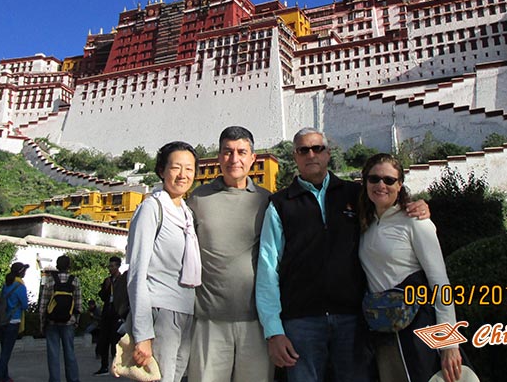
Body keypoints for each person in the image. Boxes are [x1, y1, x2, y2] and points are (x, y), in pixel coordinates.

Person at [256, 127, 431, 382]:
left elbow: (388, 208)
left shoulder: (354, 194)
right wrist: (273, 331)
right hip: (301, 322)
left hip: (352, 319)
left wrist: (415, 205)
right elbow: (267, 267)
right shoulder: (281, 203)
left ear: (328, 154)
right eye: (303, 150)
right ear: (295, 156)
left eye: (317, 148)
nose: (311, 154)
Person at [357, 154, 466, 382]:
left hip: (418, 325)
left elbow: (439, 281)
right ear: (365, 181)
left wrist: (449, 341)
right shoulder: (364, 224)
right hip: (385, 329)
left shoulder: (416, 221)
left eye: (389, 180)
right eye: (374, 178)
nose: (380, 185)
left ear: (399, 185)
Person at [186, 126, 273, 382]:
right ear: (218, 157)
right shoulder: (198, 198)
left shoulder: (266, 201)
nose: (234, 159)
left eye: (241, 152)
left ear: (252, 158)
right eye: (227, 152)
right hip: (208, 321)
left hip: (256, 322)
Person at [126, 141, 202, 382]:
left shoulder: (186, 214)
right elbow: (137, 273)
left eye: (189, 169)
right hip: (160, 312)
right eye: (176, 168)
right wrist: (143, 333)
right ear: (161, 170)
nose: (183, 175)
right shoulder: (152, 208)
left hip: (186, 311)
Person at [39, 254, 82, 382]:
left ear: (57, 266)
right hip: (69, 322)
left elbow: (43, 303)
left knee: (53, 354)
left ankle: (54, 379)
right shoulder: (75, 280)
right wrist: (76, 321)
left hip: (52, 322)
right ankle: (73, 379)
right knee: (70, 352)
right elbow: (78, 304)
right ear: (69, 266)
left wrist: (42, 323)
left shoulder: (50, 280)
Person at [0, 262, 29, 382]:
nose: (25, 273)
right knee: (6, 353)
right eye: (24, 270)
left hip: (2, 320)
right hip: (13, 321)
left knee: (4, 350)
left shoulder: (6, 285)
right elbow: (24, 305)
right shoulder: (20, 287)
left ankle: (4, 376)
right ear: (20, 272)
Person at [93, 256, 128, 376]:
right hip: (106, 314)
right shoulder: (107, 280)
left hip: (116, 314)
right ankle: (104, 366)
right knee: (104, 340)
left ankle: (116, 365)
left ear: (118, 266)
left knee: (115, 342)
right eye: (110, 266)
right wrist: (106, 287)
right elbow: (102, 296)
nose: (111, 269)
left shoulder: (122, 280)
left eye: (113, 266)